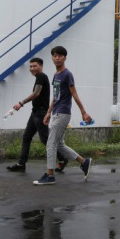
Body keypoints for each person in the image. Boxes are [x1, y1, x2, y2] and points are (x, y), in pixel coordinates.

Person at [33, 46, 93, 186]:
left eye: (60, 55)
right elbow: (55, 96)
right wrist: (48, 112)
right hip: (56, 112)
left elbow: (74, 94)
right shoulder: (56, 75)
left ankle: (50, 175)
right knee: (59, 144)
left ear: (65, 57)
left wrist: (83, 112)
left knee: (50, 143)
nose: (57, 58)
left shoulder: (67, 74)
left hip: (63, 112)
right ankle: (84, 162)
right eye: (54, 55)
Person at [6, 57, 67, 172]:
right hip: (35, 113)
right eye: (31, 66)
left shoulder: (41, 76)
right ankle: (21, 164)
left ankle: (62, 158)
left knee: (45, 139)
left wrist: (21, 103)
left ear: (41, 66)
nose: (32, 68)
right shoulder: (39, 77)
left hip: (40, 113)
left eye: (35, 66)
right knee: (26, 137)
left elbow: (36, 93)